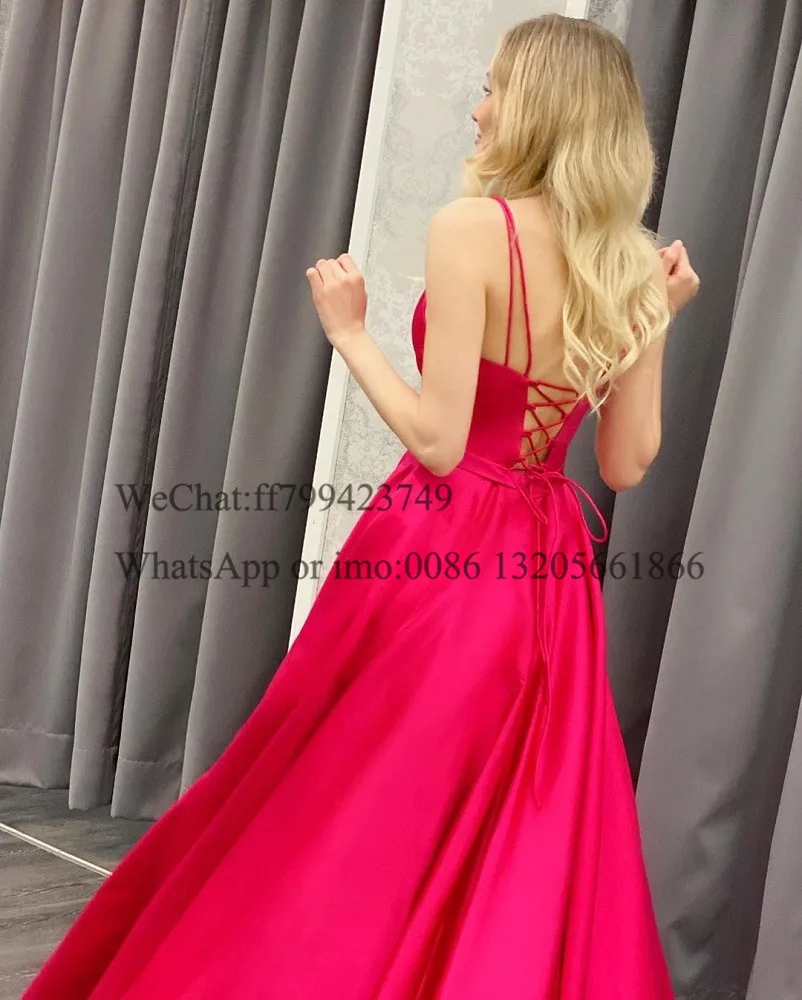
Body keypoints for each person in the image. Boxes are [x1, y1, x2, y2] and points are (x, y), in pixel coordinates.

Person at [24, 14, 699, 1000]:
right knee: (509, 808)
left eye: (495, 89)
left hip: (443, 544)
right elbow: (625, 464)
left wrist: (349, 332)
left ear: (540, 110)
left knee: (356, 787)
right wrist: (656, 322)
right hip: (549, 568)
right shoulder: (630, 266)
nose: (479, 108)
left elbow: (440, 440)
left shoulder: (473, 228)